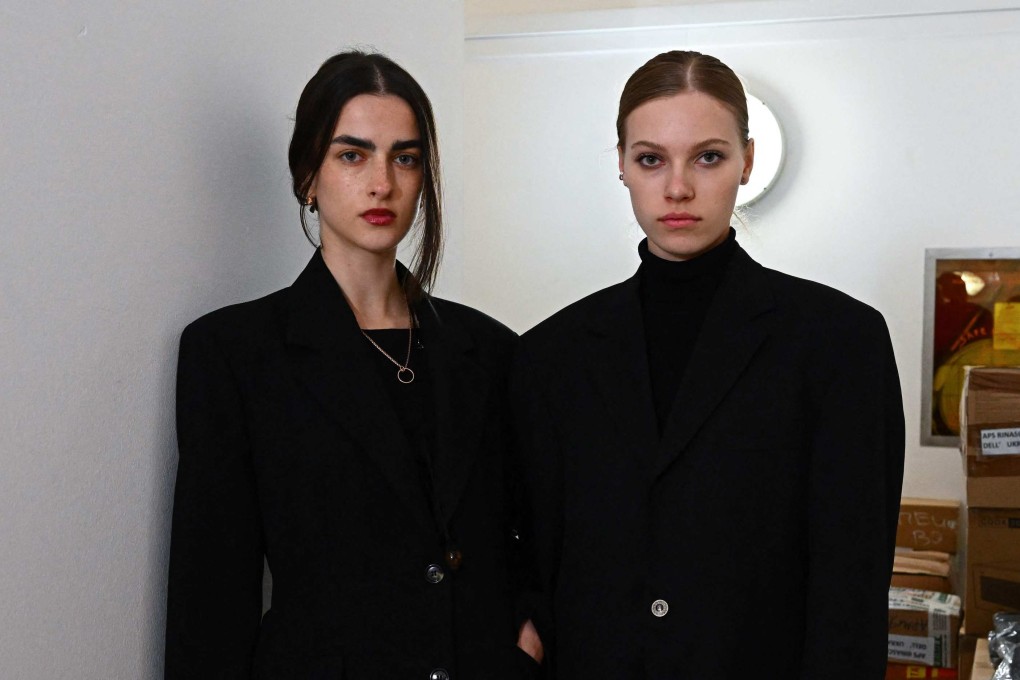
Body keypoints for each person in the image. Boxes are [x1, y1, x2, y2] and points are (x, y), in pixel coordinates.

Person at [512, 50, 904, 678]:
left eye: (708, 156)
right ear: (620, 166)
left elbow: (850, 593)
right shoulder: (548, 356)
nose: (678, 188)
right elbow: (537, 570)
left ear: (747, 160)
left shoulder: (839, 342)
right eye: (651, 159)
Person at [166, 50, 541, 679]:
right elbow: (211, 595)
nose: (382, 183)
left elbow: (532, 535)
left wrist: (527, 641)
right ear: (307, 175)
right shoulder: (233, 353)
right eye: (352, 154)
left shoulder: (493, 350)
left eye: (405, 157)